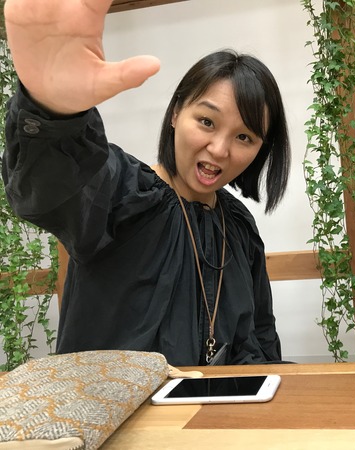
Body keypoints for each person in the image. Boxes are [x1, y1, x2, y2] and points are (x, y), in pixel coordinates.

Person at [1, 0, 291, 365]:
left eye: (244, 137)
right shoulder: (122, 192)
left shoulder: (238, 225)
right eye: (207, 122)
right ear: (176, 113)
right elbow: (52, 183)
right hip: (112, 401)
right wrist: (52, 110)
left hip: (222, 404)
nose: (219, 149)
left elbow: (260, 338)